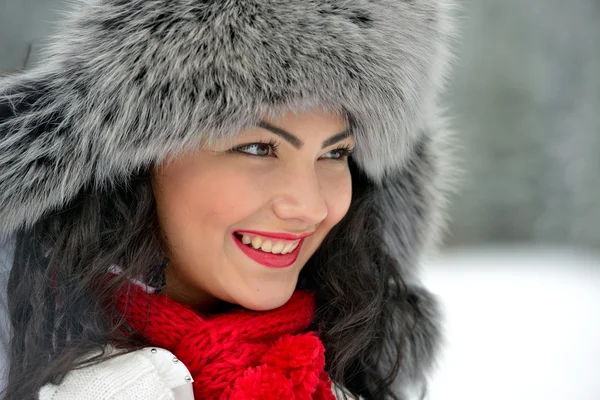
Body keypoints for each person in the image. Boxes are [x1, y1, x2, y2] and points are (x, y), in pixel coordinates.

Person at [0, 0, 456, 399]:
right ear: (139, 163)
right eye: (258, 148)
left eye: (335, 153)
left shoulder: (341, 379)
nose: (311, 206)